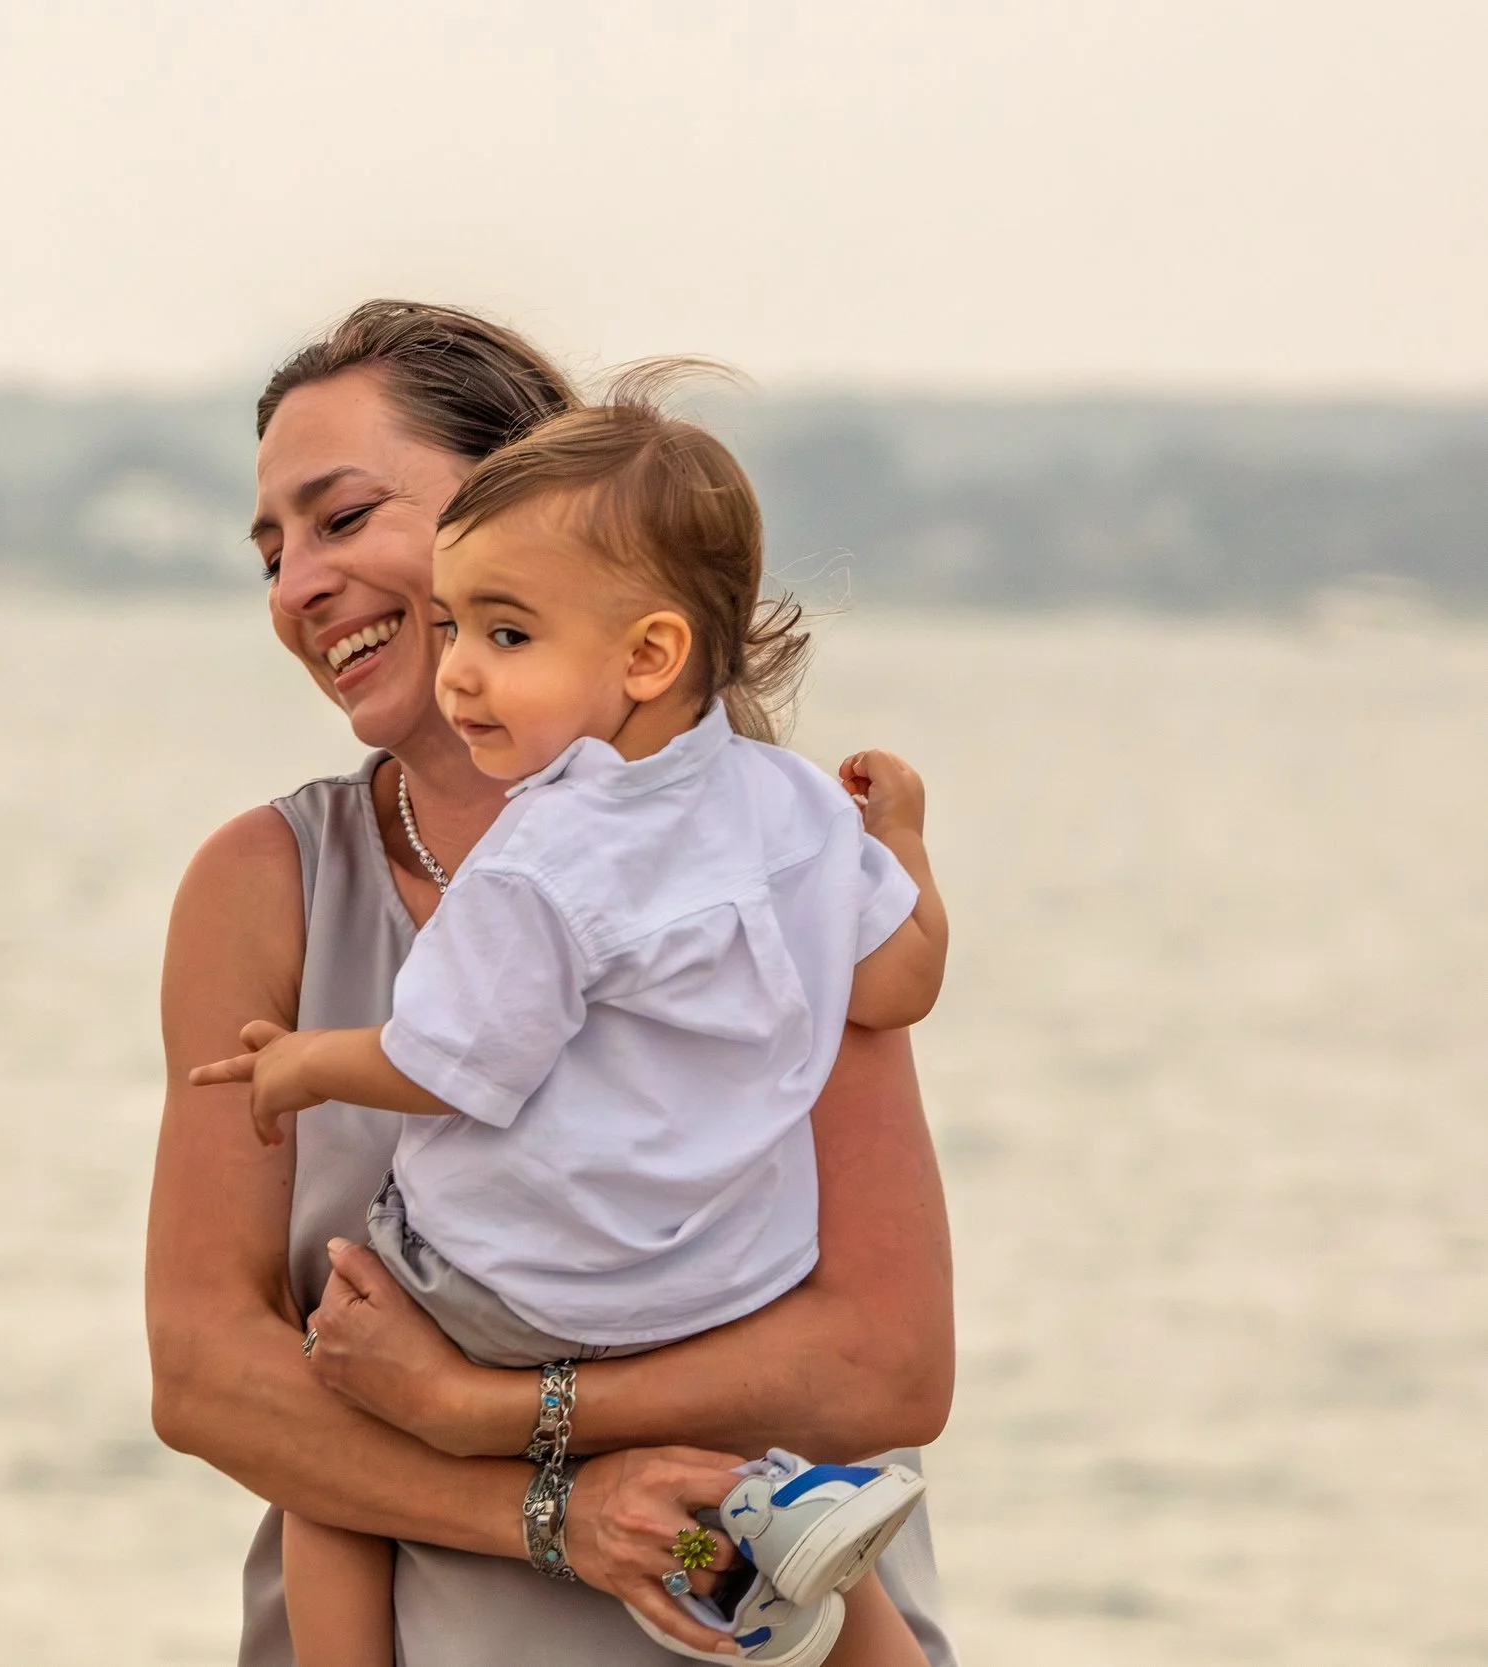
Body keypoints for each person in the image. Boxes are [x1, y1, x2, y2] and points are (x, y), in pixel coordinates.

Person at [147, 301, 959, 1666]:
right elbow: (207, 1371)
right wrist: (552, 1509)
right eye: (274, 550)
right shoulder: (261, 884)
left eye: (342, 518)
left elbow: (885, 1361)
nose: (297, 584)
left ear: (539, 495)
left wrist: (491, 1407)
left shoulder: (765, 863)